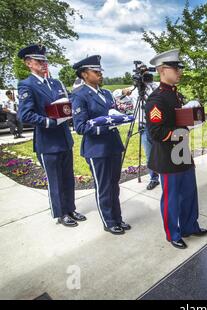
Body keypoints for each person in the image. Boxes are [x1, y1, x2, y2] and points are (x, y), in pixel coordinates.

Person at [144, 49, 207, 249]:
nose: (179, 71)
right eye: (175, 68)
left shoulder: (174, 94)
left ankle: (190, 226)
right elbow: (155, 132)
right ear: (163, 70)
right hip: (167, 156)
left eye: (180, 67)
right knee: (171, 199)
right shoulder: (157, 99)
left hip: (182, 153)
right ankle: (173, 233)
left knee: (189, 193)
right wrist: (179, 132)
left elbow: (178, 119)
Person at [18, 44, 85, 227]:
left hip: (64, 137)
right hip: (47, 141)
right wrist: (48, 121)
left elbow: (65, 104)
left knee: (68, 177)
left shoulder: (56, 83)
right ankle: (61, 213)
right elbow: (25, 115)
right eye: (39, 61)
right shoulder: (26, 85)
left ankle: (70, 208)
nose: (44, 63)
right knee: (55, 180)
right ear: (29, 63)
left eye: (45, 60)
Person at [71, 55, 129, 234]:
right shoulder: (79, 96)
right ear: (84, 74)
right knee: (103, 186)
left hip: (113, 145)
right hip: (97, 148)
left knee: (114, 184)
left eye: (100, 71)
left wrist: (119, 116)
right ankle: (109, 221)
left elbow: (112, 112)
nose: (100, 74)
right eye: (95, 72)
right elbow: (80, 126)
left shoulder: (105, 93)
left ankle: (118, 217)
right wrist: (105, 125)